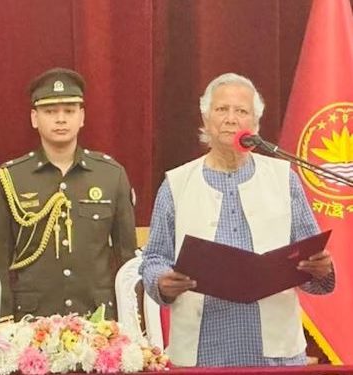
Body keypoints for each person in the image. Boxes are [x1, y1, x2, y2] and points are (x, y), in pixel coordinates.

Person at [140, 72, 335, 367]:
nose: (230, 119)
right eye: (221, 110)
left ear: (255, 125)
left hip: (276, 352)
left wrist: (321, 268)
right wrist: (161, 282)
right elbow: (154, 258)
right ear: (205, 119)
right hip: (201, 351)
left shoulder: (285, 180)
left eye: (241, 111)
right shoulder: (176, 184)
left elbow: (311, 256)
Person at [0, 67, 137, 321]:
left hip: (97, 320)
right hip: (32, 322)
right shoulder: (12, 177)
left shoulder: (111, 175)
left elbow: (127, 260)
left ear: (82, 116)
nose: (60, 119)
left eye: (69, 111)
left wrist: (131, 323)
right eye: (50, 112)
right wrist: (1, 323)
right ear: (34, 118)